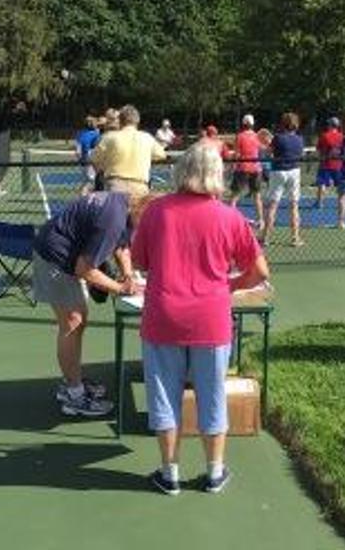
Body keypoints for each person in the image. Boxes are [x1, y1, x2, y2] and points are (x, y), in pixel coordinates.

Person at [131, 143, 270, 496]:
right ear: (217, 174)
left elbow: (141, 262)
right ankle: (214, 472)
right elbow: (259, 272)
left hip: (162, 317)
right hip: (211, 319)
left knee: (164, 397)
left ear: (182, 169)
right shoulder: (230, 217)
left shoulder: (157, 212)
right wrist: (228, 285)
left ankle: (169, 473)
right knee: (211, 396)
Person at [32, 190, 150, 417]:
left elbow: (121, 246)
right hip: (54, 258)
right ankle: (73, 395)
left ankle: (72, 381)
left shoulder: (123, 205)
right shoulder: (112, 220)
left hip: (62, 253)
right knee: (73, 322)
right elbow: (85, 269)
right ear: (143, 213)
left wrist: (128, 275)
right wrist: (120, 289)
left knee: (79, 320)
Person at [91, 104, 167, 196]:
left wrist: (102, 171)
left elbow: (94, 159)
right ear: (137, 120)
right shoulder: (147, 138)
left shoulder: (109, 138)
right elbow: (162, 155)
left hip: (115, 184)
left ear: (120, 120)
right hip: (140, 185)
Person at [260, 112, 305, 247]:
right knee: (294, 205)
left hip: (278, 172)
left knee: (273, 205)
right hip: (294, 172)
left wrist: (268, 145)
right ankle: (295, 238)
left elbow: (268, 153)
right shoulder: (299, 139)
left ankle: (266, 239)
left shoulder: (278, 138)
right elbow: (300, 153)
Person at [229, 114, 265, 231]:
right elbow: (261, 149)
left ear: (243, 124)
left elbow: (237, 154)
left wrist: (232, 166)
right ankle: (260, 221)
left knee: (234, 196)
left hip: (242, 168)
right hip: (256, 168)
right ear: (252, 124)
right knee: (257, 196)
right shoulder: (256, 136)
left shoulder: (239, 136)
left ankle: (230, 220)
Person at [314, 117, 344, 208]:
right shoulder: (341, 136)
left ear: (330, 125)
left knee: (322, 184)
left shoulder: (324, 135)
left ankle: (320, 203)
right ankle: (341, 203)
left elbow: (318, 148)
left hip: (325, 164)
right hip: (338, 164)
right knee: (339, 185)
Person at [74, 115, 101, 191]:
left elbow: (77, 150)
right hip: (90, 159)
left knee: (86, 180)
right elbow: (96, 148)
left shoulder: (80, 133)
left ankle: (84, 195)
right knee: (91, 181)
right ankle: (83, 195)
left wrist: (79, 159)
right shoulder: (95, 134)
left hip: (83, 160)